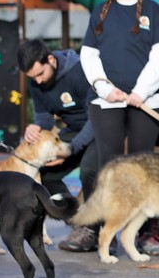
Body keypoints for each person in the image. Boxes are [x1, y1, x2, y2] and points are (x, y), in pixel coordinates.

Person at [80, 0, 159, 256]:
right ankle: (105, 232)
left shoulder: (153, 12)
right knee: (110, 167)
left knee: (144, 167)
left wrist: (140, 92)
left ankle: (146, 232)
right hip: (108, 102)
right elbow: (89, 56)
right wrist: (106, 89)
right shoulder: (100, 12)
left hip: (145, 101)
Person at [16, 39, 101, 252]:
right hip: (72, 131)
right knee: (46, 175)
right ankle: (79, 222)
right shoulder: (36, 82)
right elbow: (45, 119)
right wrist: (35, 127)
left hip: (99, 127)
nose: (38, 81)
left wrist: (71, 149)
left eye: (40, 74)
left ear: (51, 60)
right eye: (32, 78)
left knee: (90, 171)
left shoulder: (80, 71)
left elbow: (95, 118)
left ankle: (93, 230)